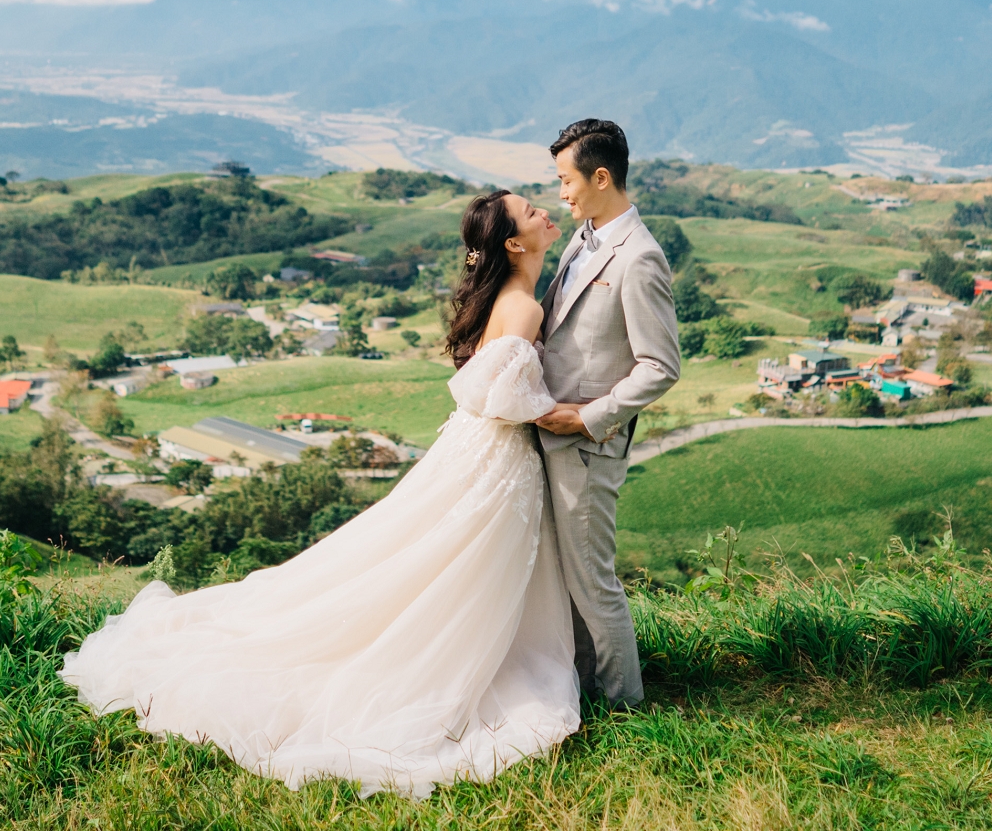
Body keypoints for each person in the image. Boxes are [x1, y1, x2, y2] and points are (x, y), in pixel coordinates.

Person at [60, 189, 580, 798]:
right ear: (514, 242)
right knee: (454, 568)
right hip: (495, 456)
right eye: (532, 211)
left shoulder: (505, 299)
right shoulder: (522, 308)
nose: (547, 210)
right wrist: (574, 413)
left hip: (472, 451)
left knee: (427, 562)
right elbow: (501, 398)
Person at [533, 117, 681, 708]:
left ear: (600, 176)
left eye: (566, 181)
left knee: (594, 584)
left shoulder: (640, 257)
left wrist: (587, 417)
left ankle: (624, 708)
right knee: (567, 584)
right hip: (549, 436)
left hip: (587, 444)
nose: (561, 194)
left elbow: (660, 366)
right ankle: (580, 689)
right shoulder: (584, 235)